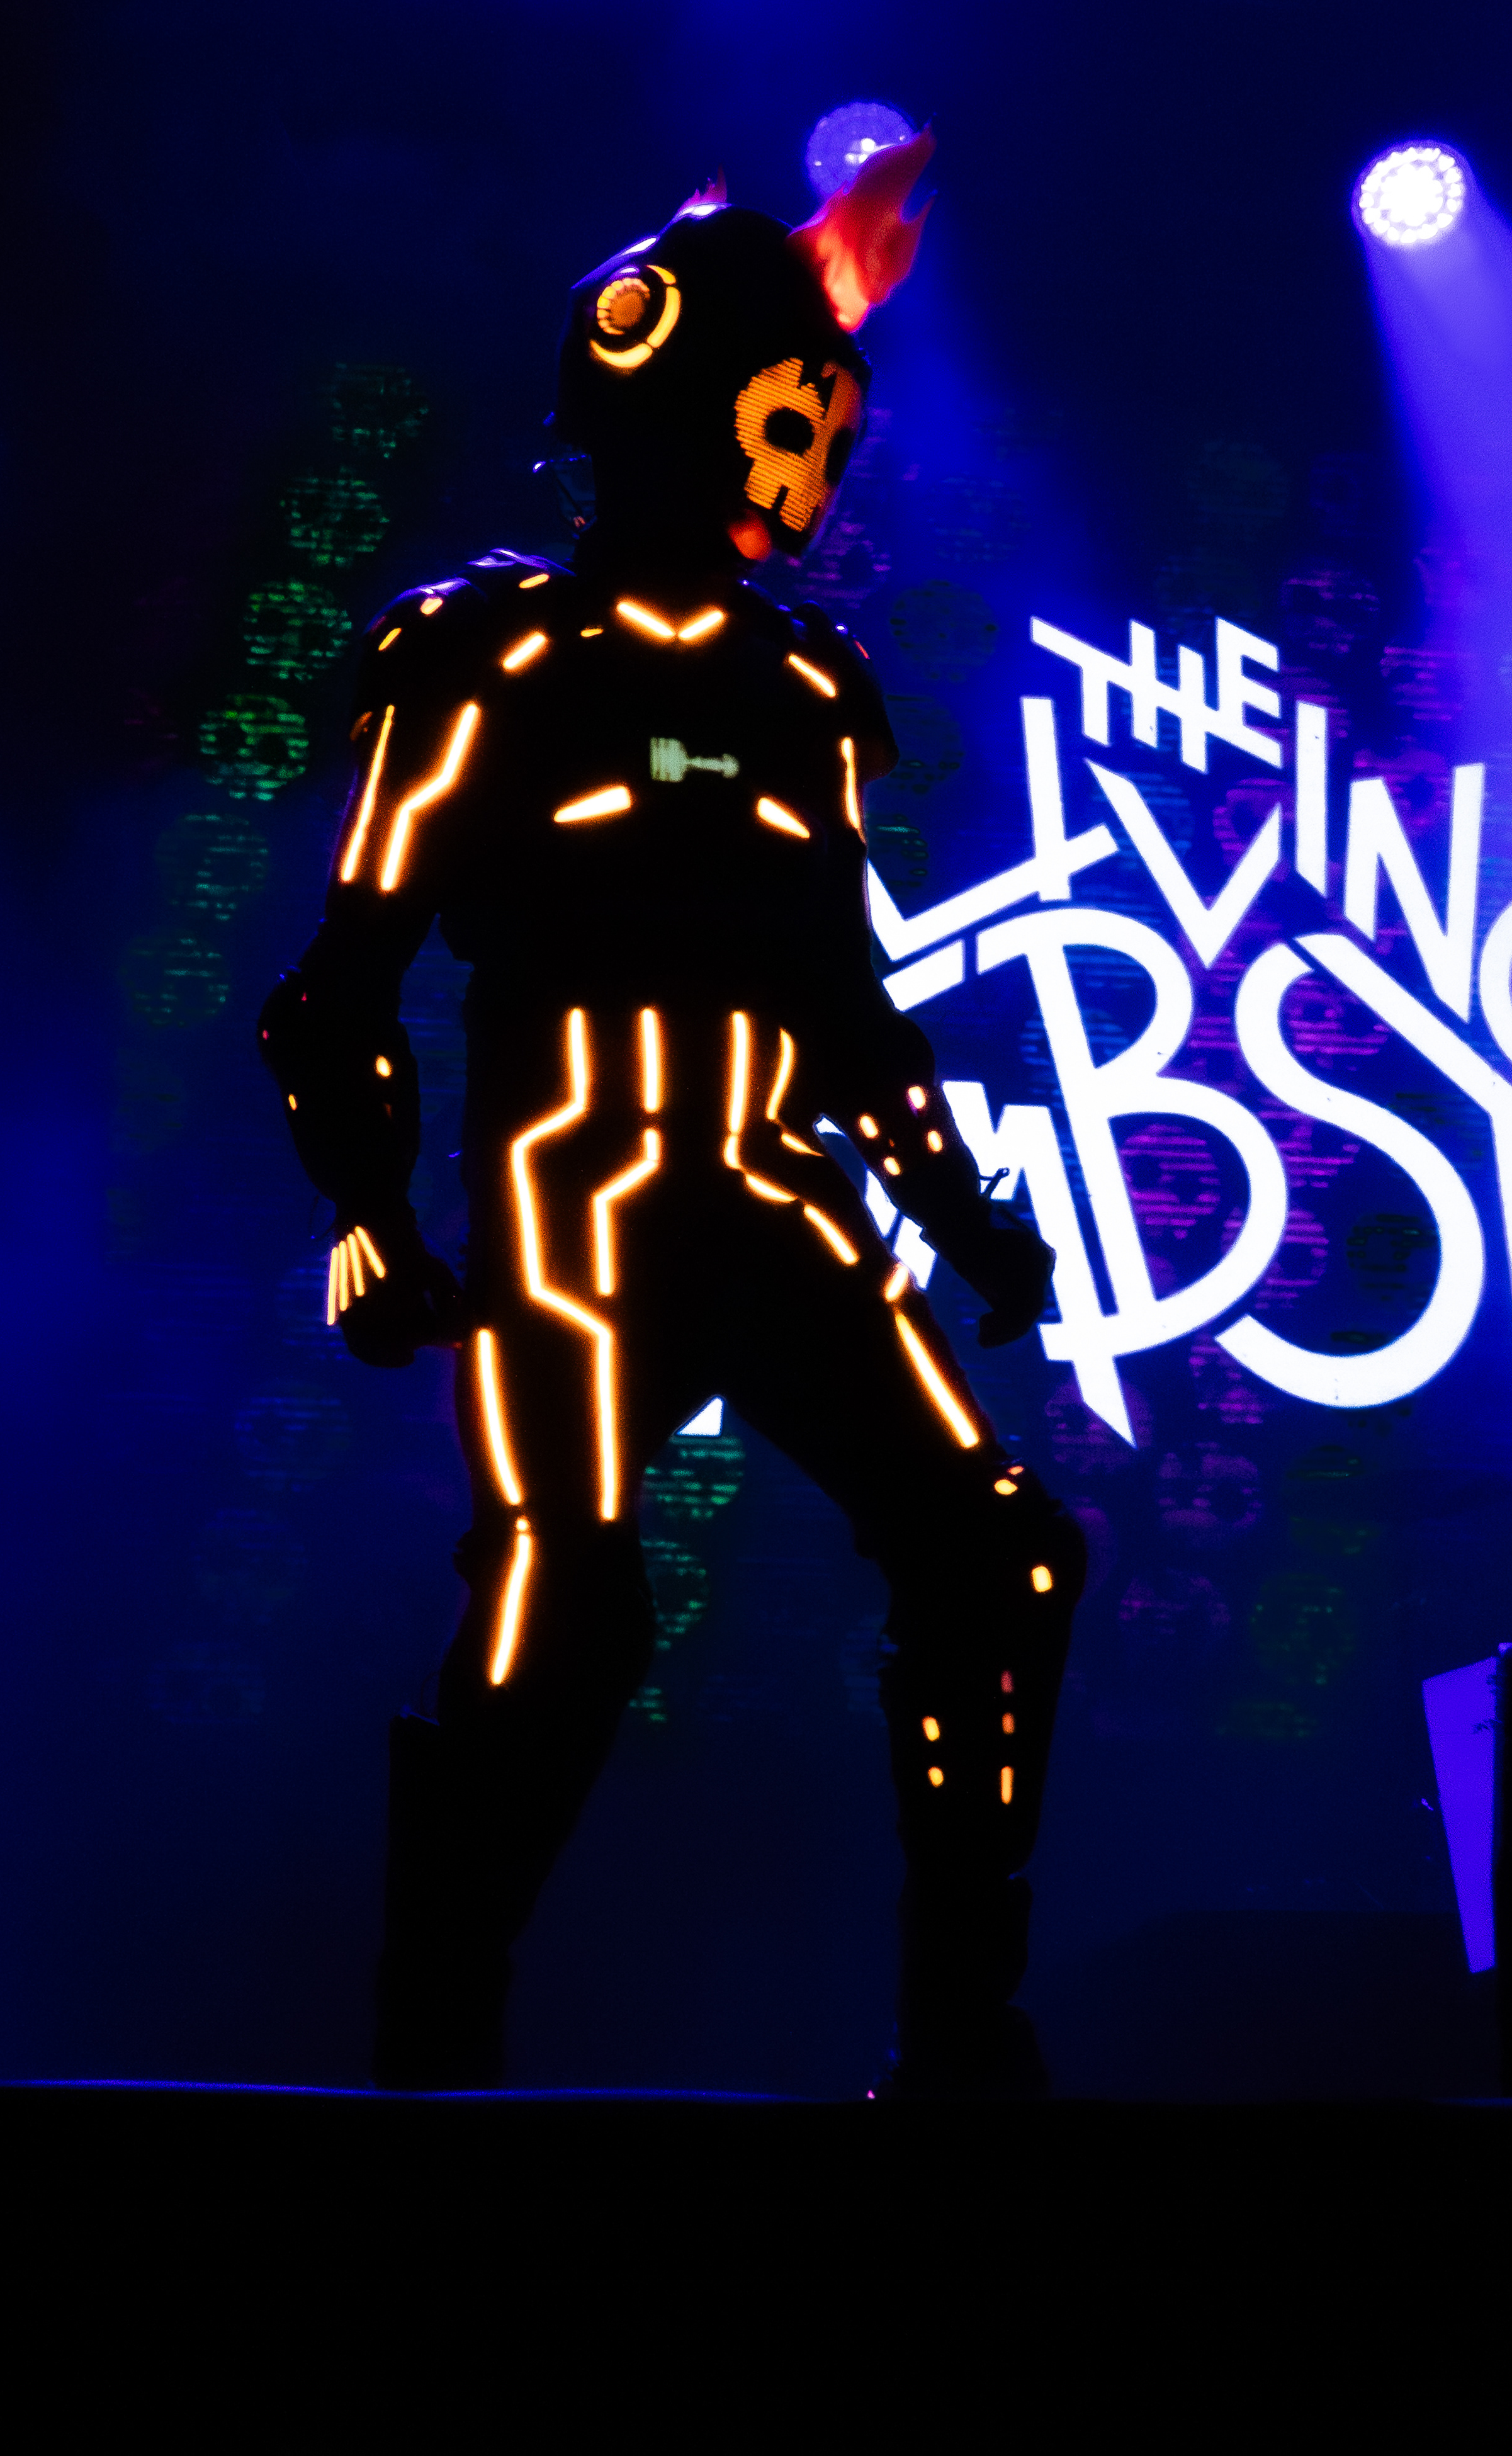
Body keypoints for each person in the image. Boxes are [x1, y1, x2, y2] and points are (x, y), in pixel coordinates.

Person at [257, 135, 1085, 2095]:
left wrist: (956, 1208)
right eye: (785, 406)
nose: (811, 456)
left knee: (1000, 1560)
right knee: (565, 1607)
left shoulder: (810, 690)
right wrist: (371, 1209)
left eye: (824, 416)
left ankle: (961, 2031)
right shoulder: (490, 658)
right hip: (581, 1192)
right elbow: (341, 980)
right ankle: (437, 2031)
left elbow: (842, 997)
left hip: (770, 1193)